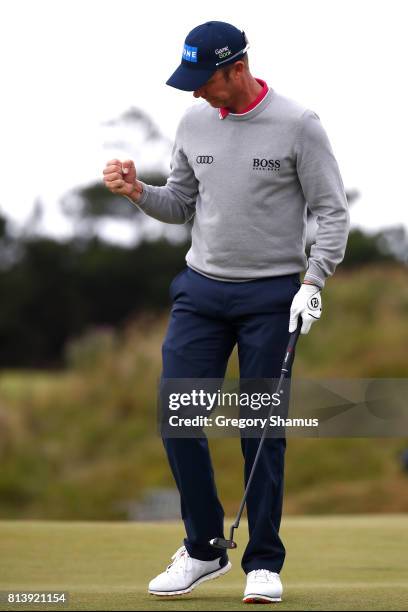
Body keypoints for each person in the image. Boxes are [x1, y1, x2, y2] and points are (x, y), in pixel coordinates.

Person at [103, 20, 349, 604]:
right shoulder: (192, 122)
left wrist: (314, 281)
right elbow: (181, 203)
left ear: (237, 69)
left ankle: (262, 563)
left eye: (203, 79)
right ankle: (204, 548)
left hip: (272, 297)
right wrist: (140, 192)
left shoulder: (298, 125)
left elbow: (332, 212)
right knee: (179, 419)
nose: (194, 92)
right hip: (201, 292)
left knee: (260, 430)